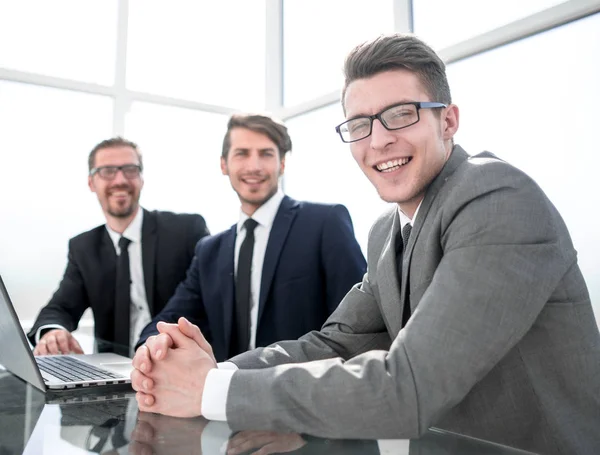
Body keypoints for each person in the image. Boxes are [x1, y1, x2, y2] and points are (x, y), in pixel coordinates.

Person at [130, 34, 600, 454]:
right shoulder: (385, 232)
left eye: (401, 114)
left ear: (449, 121)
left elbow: (409, 387)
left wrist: (212, 391)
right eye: (360, 124)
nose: (378, 141)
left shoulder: (497, 198)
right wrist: (216, 372)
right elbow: (335, 343)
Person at [136, 114, 366, 361]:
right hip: (227, 392)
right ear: (224, 165)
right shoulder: (209, 251)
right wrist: (150, 345)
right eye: (242, 153)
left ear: (282, 164)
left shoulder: (325, 223)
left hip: (304, 393)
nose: (254, 166)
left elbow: (360, 325)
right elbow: (170, 317)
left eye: (266, 154)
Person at [28, 137, 210, 356]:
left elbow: (205, 302)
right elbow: (60, 308)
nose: (120, 180)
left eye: (130, 170)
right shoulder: (84, 247)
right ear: (91, 183)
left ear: (142, 178)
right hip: (112, 376)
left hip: (176, 364)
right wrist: (52, 333)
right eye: (107, 171)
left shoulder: (185, 231)